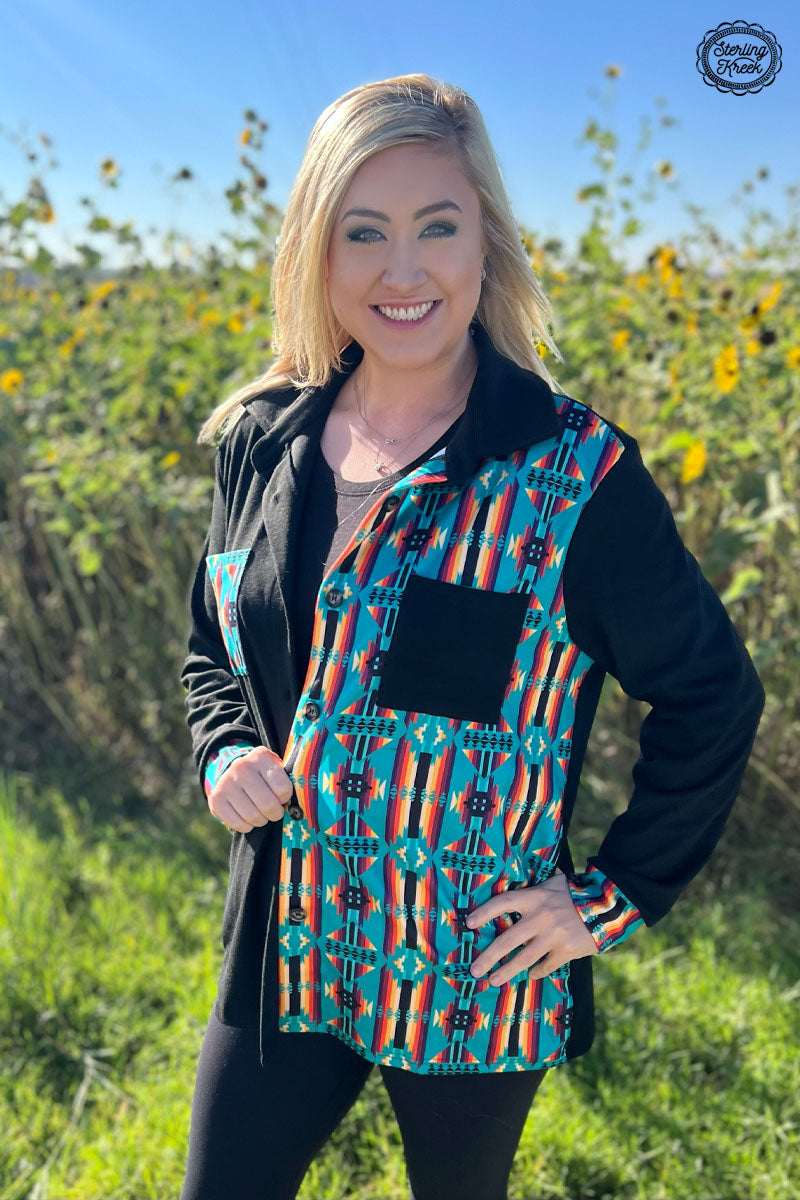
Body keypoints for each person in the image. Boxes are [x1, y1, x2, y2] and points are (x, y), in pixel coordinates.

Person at [177, 74, 765, 1200]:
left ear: (485, 240)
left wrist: (609, 898)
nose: (402, 271)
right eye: (363, 232)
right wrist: (223, 749)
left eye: (436, 227)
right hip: (284, 947)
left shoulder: (574, 473)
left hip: (470, 977)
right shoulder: (261, 439)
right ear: (316, 252)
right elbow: (216, 640)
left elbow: (713, 694)